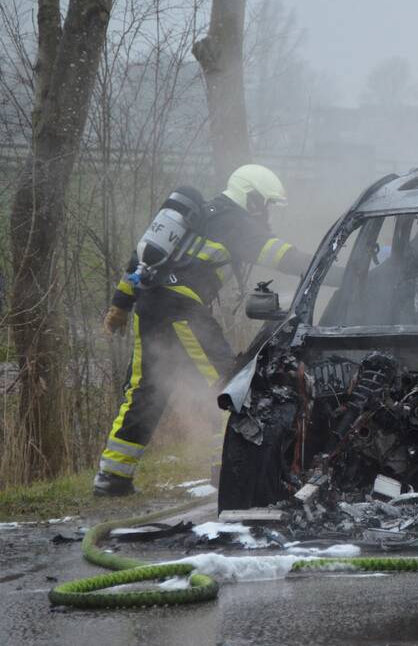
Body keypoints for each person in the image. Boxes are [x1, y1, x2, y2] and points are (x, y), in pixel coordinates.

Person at [94, 164, 324, 496]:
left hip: (150, 305)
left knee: (146, 392)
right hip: (180, 308)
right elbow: (282, 256)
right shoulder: (234, 220)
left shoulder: (203, 216)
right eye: (268, 205)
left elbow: (139, 263)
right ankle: (231, 472)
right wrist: (337, 268)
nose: (268, 214)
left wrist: (120, 304)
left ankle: (112, 477)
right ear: (254, 198)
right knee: (229, 384)